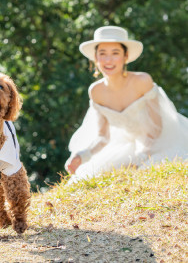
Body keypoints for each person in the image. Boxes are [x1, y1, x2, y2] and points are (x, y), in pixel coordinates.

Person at [65, 26, 188, 181]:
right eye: (102, 54)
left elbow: (156, 129)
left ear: (125, 56)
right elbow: (103, 137)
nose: (108, 60)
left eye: (115, 53)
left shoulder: (142, 81)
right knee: (94, 175)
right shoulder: (96, 91)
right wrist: (81, 156)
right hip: (127, 145)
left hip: (160, 141)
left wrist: (141, 157)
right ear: (96, 58)